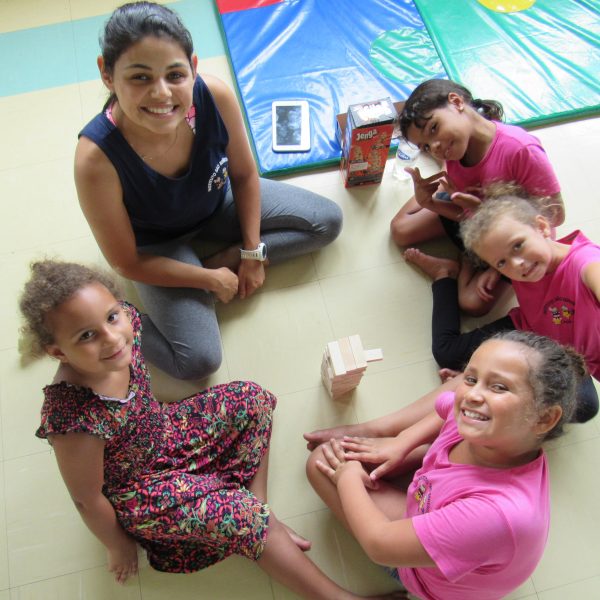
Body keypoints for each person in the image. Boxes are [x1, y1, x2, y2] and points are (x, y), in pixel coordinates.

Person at [21, 259, 404, 600]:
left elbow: (141, 357)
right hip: (140, 489)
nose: (111, 338)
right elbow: (87, 498)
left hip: (165, 431)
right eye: (86, 336)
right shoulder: (73, 418)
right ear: (58, 352)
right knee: (243, 518)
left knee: (252, 399)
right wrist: (116, 545)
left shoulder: (128, 326)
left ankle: (258, 513)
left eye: (111, 317)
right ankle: (322, 583)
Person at [74, 1, 343, 380]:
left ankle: (222, 254)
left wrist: (251, 253)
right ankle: (117, 316)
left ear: (194, 67)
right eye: (139, 77)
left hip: (217, 203)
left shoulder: (213, 96)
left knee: (327, 222)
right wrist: (208, 278)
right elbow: (126, 262)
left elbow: (245, 176)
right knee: (198, 362)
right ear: (107, 74)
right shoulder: (96, 159)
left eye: (175, 75)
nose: (161, 94)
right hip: (159, 245)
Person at [306, 330, 584, 600]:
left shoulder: (495, 515)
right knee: (339, 455)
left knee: (321, 462)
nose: (472, 395)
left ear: (544, 419)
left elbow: (379, 544)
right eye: (471, 378)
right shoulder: (487, 428)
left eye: (499, 387)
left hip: (427, 577)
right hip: (435, 505)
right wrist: (401, 441)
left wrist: (348, 477)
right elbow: (447, 407)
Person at [403, 191, 599, 423]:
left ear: (542, 227)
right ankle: (444, 274)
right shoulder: (526, 263)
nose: (518, 264)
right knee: (447, 352)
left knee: (584, 407)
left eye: (518, 246)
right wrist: (495, 271)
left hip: (561, 354)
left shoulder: (586, 262)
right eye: (502, 262)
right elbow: (496, 239)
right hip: (531, 332)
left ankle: (484, 381)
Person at [390, 78, 564, 316]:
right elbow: (467, 214)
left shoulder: (520, 148)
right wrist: (427, 201)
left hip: (513, 239)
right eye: (426, 147)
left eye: (434, 128)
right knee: (400, 230)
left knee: (472, 303)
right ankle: (468, 248)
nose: (435, 146)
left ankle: (460, 262)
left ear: (456, 102)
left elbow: (556, 214)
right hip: (475, 218)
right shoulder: (454, 154)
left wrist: (500, 260)